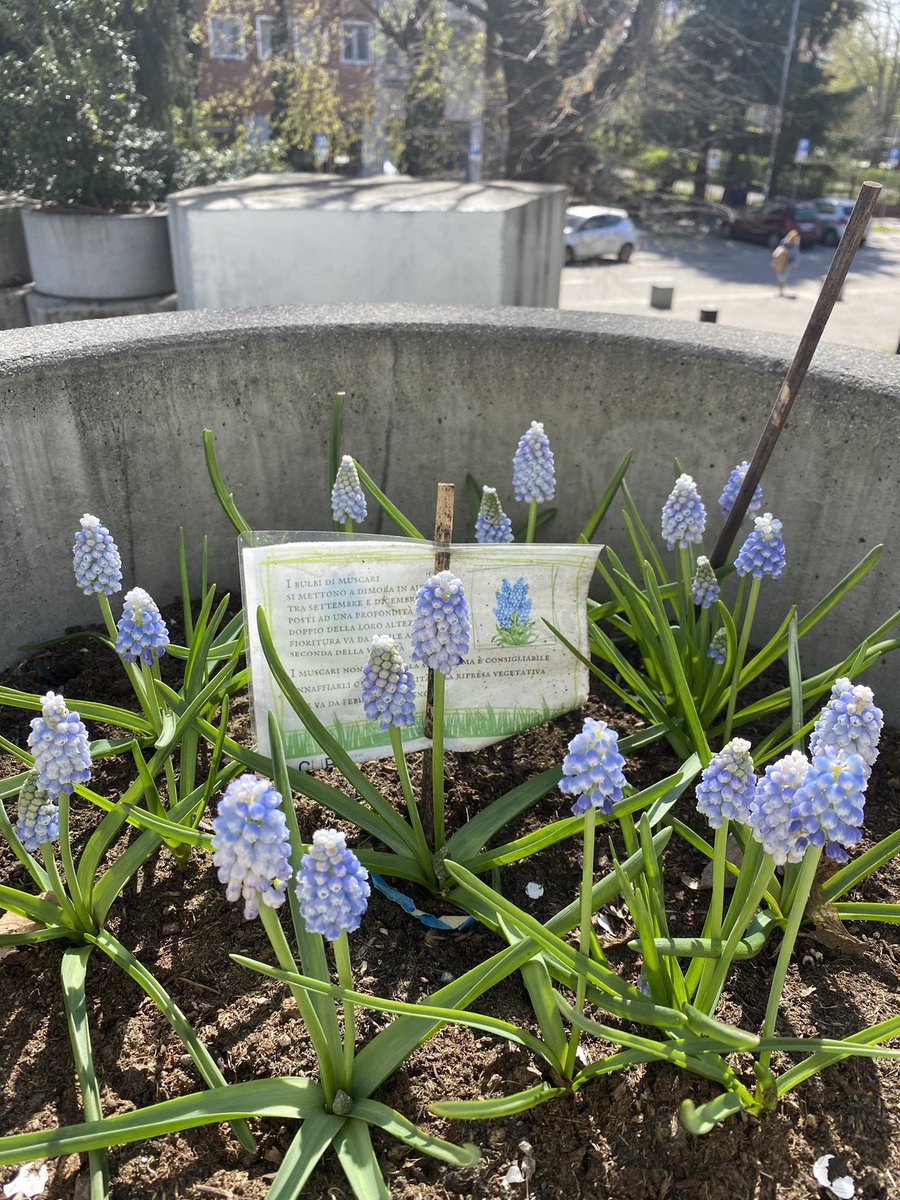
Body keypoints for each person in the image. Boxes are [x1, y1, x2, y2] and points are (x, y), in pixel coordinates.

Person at [771, 229, 800, 296]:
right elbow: (778, 251)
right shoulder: (784, 242)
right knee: (781, 276)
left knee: (782, 276)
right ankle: (781, 289)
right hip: (783, 261)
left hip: (788, 262)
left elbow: (796, 254)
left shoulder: (795, 244)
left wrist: (795, 262)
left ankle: (781, 289)